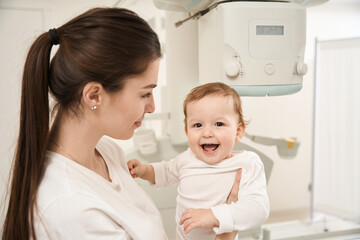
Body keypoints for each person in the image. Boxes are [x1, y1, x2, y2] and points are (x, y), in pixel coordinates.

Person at [2, 7, 242, 240]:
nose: (152, 107)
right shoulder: (70, 207)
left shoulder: (106, 152)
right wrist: (226, 233)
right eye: (144, 94)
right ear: (94, 96)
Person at [128, 82, 270, 240]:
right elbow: (165, 172)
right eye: (197, 125)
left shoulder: (246, 163)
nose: (207, 133)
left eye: (219, 124)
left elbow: (258, 209)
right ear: (187, 131)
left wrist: (213, 216)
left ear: (238, 131)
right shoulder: (187, 159)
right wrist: (144, 170)